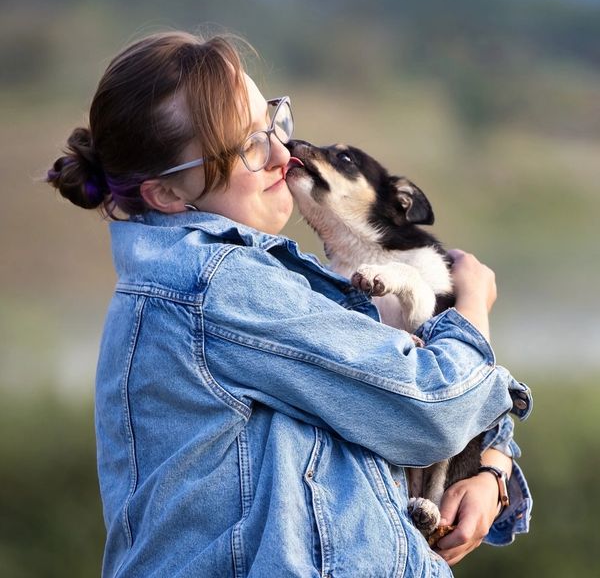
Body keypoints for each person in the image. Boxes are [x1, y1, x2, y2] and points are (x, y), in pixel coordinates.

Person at [47, 31, 532, 577]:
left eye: (272, 122)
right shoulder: (215, 287)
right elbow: (431, 406)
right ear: (166, 194)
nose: (283, 153)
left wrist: (493, 464)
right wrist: (473, 305)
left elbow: (388, 394)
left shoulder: (256, 280)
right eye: (248, 146)